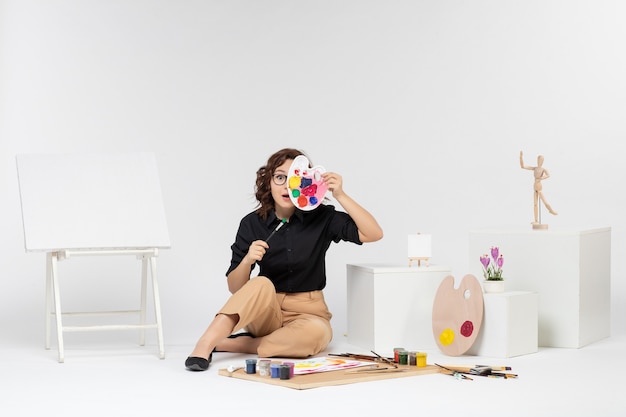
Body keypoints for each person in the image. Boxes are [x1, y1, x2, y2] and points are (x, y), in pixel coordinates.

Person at [185, 148, 384, 371]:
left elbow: (373, 233)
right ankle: (204, 344)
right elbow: (235, 288)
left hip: (308, 313)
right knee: (260, 282)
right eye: (280, 177)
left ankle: (233, 343)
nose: (287, 185)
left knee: (316, 335)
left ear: (308, 182)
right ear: (268, 182)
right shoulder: (251, 223)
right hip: (265, 311)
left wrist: (341, 195)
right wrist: (248, 260)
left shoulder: (323, 217)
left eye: (295, 178)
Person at [519, 150, 557, 224]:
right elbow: (523, 166)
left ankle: (551, 211)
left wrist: (542, 178)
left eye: (541, 160)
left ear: (543, 161)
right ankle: (536, 220)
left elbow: (548, 175)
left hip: (539, 186)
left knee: (544, 201)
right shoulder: (535, 168)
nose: (539, 161)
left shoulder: (543, 169)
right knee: (535, 204)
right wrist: (521, 157)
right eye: (538, 160)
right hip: (534, 186)